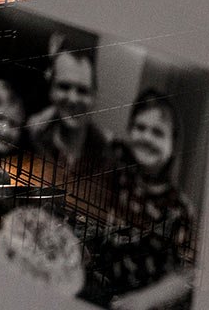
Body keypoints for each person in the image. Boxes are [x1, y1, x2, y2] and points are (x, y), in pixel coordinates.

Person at [83, 90, 198, 310]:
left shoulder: (179, 208)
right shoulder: (119, 171)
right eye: (140, 128)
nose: (146, 137)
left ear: (173, 146)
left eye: (157, 132)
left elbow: (186, 273)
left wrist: (145, 300)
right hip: (102, 290)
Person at [21, 44, 116, 195]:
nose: (73, 99)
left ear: (94, 97)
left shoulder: (108, 158)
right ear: (51, 91)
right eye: (64, 87)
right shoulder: (29, 140)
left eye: (83, 90)